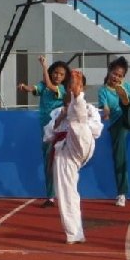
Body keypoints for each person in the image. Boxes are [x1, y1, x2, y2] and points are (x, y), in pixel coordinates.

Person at [49, 70, 103, 244]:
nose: (69, 89)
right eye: (69, 87)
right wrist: (62, 117)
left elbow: (96, 130)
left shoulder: (91, 109)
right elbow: (48, 134)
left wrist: (75, 113)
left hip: (83, 145)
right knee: (67, 192)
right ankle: (74, 233)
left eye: (74, 86)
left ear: (82, 87)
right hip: (65, 152)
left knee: (78, 123)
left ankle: (77, 100)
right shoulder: (57, 112)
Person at [18, 56, 69, 208]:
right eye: (55, 73)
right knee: (48, 162)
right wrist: (24, 87)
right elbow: (34, 88)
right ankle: (51, 197)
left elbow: (48, 84)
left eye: (61, 74)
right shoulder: (43, 85)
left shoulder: (62, 89)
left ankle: (66, 194)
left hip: (60, 130)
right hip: (46, 130)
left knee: (62, 162)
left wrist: (43, 65)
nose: (57, 76)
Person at [98, 56, 130, 207]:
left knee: (127, 105)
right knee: (119, 157)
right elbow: (105, 107)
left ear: (124, 77)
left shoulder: (129, 87)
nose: (116, 77)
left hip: (128, 118)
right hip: (116, 125)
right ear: (109, 72)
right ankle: (122, 193)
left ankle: (124, 101)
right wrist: (106, 113)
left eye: (120, 76)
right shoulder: (103, 91)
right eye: (114, 74)